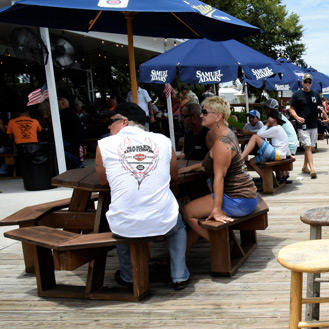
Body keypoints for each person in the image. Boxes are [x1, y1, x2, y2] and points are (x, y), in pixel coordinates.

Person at [95, 102, 190, 290]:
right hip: (163, 220)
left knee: (122, 221)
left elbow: (104, 181)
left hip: (124, 223)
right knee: (178, 226)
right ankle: (179, 275)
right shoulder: (163, 141)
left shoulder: (104, 145)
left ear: (124, 122)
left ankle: (128, 276)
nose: (108, 126)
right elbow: (174, 176)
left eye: (111, 121)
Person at [179, 96, 258, 242]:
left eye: (204, 112)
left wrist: (216, 209)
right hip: (245, 195)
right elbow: (218, 162)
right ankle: (182, 254)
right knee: (199, 214)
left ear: (218, 116)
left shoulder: (222, 143)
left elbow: (219, 177)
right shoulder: (226, 133)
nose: (201, 116)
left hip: (238, 199)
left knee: (187, 211)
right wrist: (195, 167)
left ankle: (222, 244)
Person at [240, 109, 292, 181]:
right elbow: (284, 143)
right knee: (252, 162)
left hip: (276, 154)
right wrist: (289, 155)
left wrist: (267, 124)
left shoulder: (276, 128)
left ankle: (242, 157)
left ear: (273, 120)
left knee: (254, 137)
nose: (267, 120)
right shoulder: (280, 129)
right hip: (279, 155)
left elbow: (259, 134)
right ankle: (268, 179)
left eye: (268, 119)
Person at [289, 73, 322, 178]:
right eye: (306, 81)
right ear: (302, 82)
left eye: (309, 82)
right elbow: (291, 108)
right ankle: (312, 168)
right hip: (303, 125)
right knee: (307, 146)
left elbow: (319, 106)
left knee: (310, 147)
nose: (307, 83)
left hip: (313, 123)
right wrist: (297, 117)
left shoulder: (315, 94)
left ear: (312, 83)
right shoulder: (297, 94)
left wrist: (320, 109)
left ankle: (304, 167)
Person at [58, 97, 86, 169]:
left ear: (63, 103)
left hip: (72, 141)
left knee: (56, 148)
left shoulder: (64, 113)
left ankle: (76, 161)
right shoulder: (71, 112)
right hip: (78, 141)